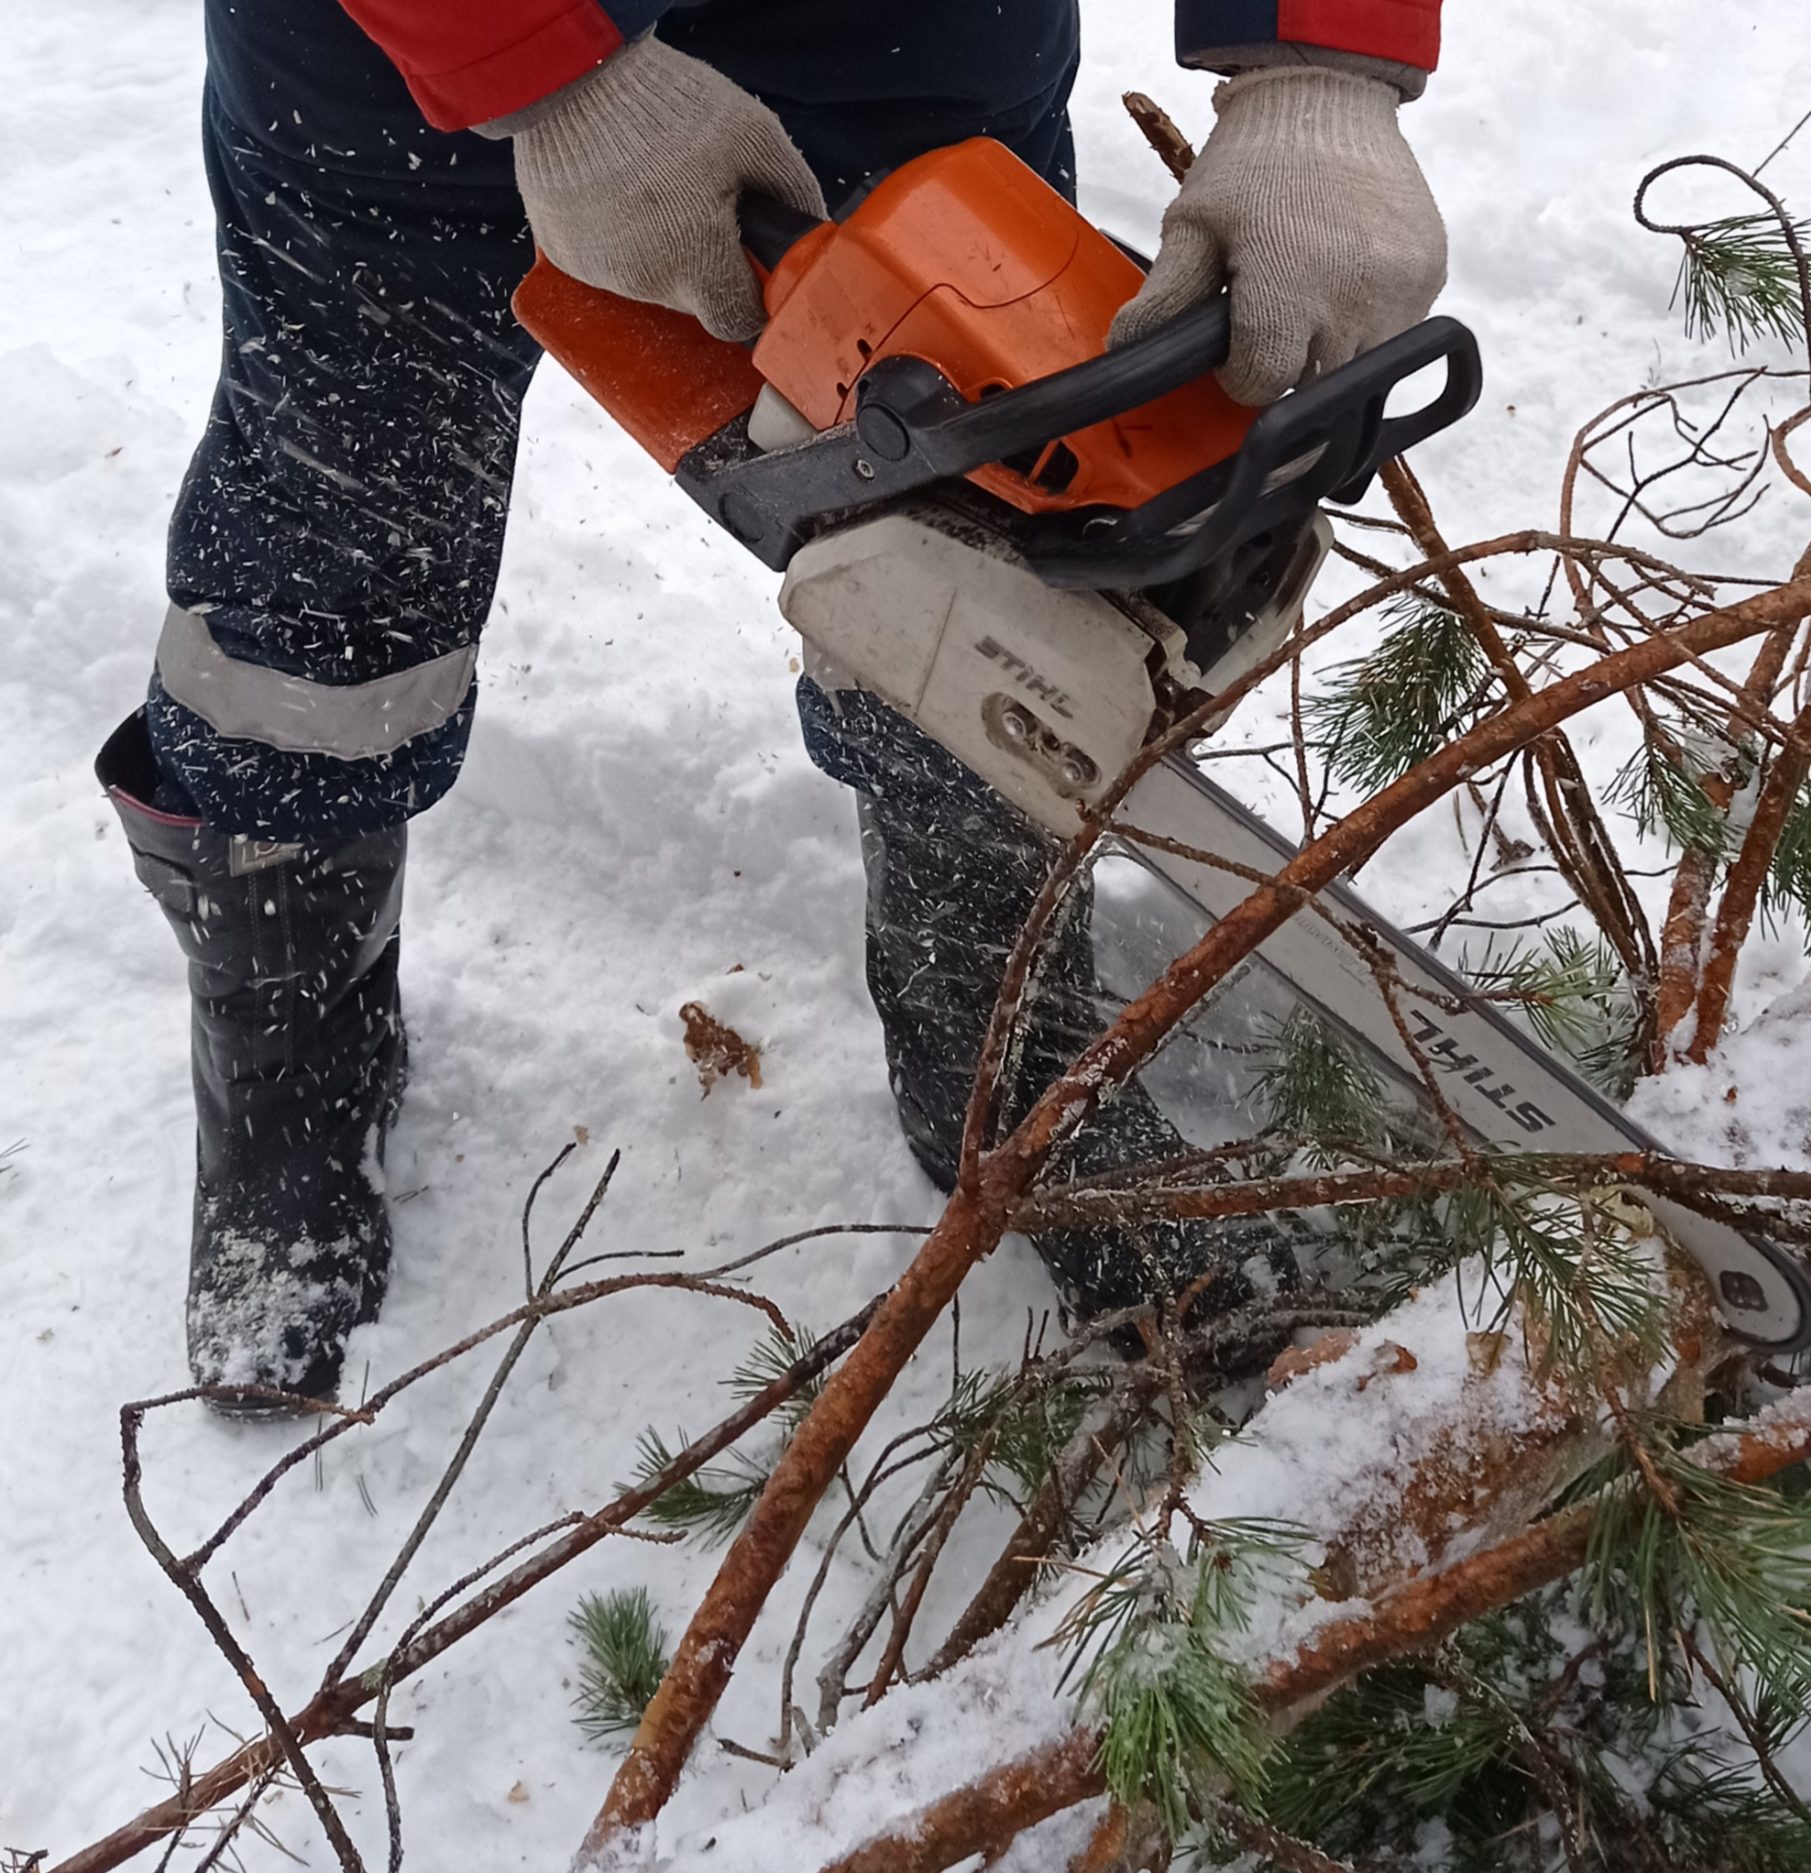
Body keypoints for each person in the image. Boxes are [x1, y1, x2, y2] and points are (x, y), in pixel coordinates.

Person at [98, 0, 1449, 1409]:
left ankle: (994, 1027)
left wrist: (1318, 68)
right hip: (390, 57)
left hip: (900, 42)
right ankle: (287, 1049)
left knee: (1004, 554)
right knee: (331, 565)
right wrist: (544, 66)